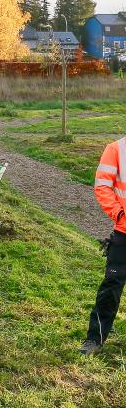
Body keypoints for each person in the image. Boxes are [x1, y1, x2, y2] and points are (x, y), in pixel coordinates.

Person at [80, 138, 126, 355]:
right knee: (111, 286)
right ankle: (95, 340)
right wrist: (118, 214)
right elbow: (102, 186)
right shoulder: (116, 149)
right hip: (124, 233)